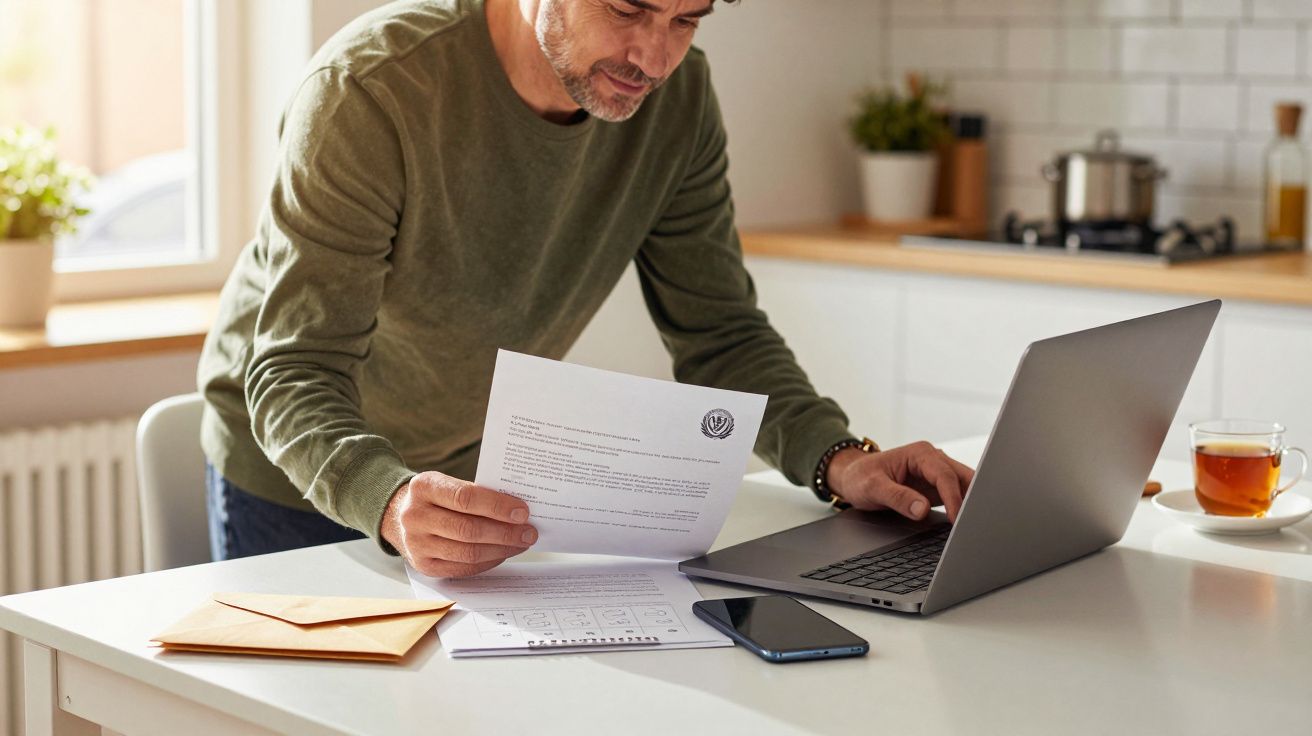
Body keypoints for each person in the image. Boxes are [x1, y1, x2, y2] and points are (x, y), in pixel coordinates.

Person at [197, 0, 976, 576]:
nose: (654, 56)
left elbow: (721, 333)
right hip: (299, 475)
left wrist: (839, 459)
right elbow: (295, 369)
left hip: (463, 479)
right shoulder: (369, 90)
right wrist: (388, 497)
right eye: (629, 8)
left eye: (686, 19)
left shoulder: (677, 103)